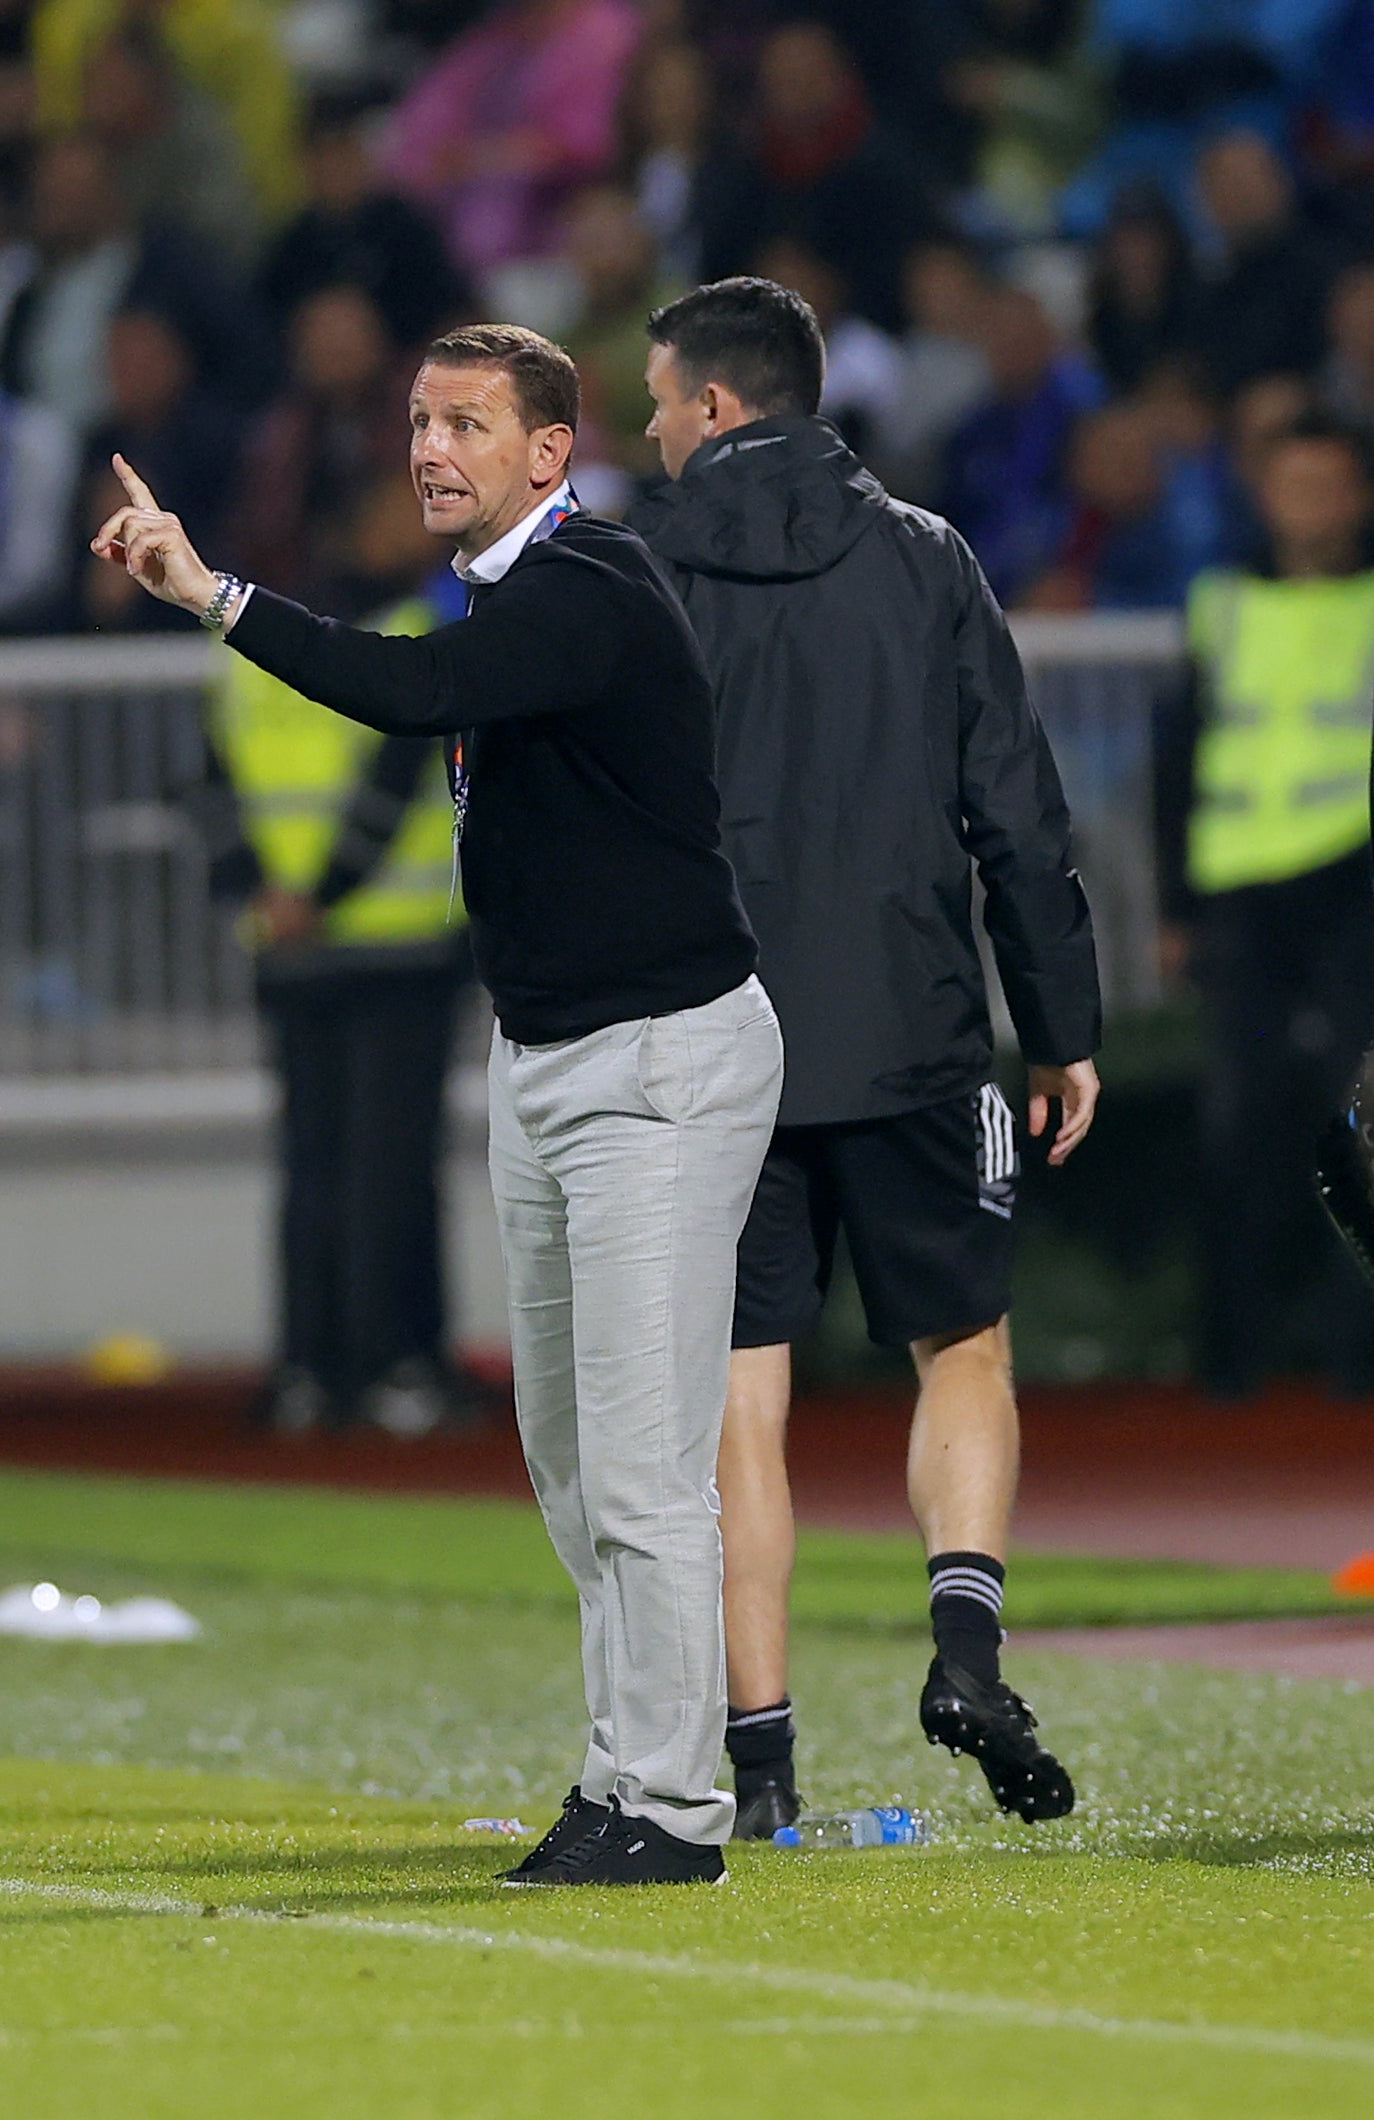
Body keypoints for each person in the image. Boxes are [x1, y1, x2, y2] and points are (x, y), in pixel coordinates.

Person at [94, 321, 780, 1888]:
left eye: (465, 422)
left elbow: (409, 696)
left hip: (656, 1057)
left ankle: (674, 1812)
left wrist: (213, 595)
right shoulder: (513, 592)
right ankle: (622, 1772)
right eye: (417, 421)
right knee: (566, 1457)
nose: (427, 449)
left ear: (550, 450)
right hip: (547, 1055)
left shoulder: (587, 584)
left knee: (640, 1462)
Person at [631, 278, 1103, 1839]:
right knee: (960, 1352)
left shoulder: (641, 574)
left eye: (654, 399)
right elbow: (1016, 816)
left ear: (713, 406)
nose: (644, 426)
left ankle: (756, 1771)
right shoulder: (924, 558)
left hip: (720, 1048)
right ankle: (962, 1652)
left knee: (732, 1405)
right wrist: (1063, 1025)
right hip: (914, 1032)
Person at [193, 475, 468, 1437]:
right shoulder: (414, 635)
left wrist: (264, 898)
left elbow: (212, 791)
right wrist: (326, 897)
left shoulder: (248, 648)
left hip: (292, 948)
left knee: (311, 1168)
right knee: (392, 1170)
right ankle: (401, 1368)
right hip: (396, 946)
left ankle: (309, 1371)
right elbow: (395, 783)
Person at [1159, 415, 1374, 1397]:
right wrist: (1176, 904)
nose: (1308, 504)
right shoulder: (1224, 603)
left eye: (1326, 484)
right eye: (1292, 484)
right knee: (1237, 1129)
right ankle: (1228, 1368)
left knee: (1357, 1126)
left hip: (1355, 887)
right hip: (1244, 892)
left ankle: (1352, 1362)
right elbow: (1180, 757)